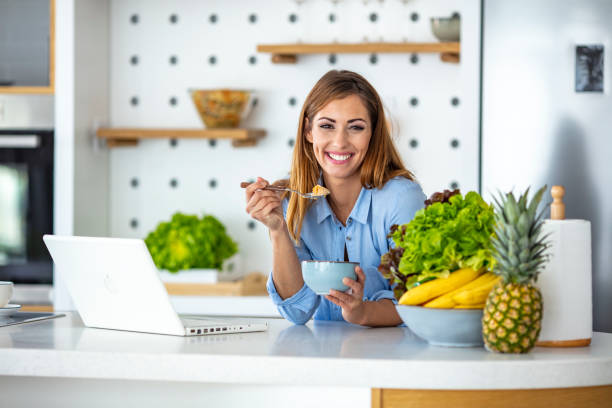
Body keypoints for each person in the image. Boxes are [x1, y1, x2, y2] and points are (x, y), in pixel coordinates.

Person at [245, 70, 425, 327]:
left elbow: (415, 302)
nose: (339, 142)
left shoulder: (401, 199)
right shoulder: (293, 201)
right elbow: (297, 311)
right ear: (308, 131)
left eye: (356, 127)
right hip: (323, 358)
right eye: (327, 126)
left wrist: (363, 313)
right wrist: (277, 229)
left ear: (373, 134)